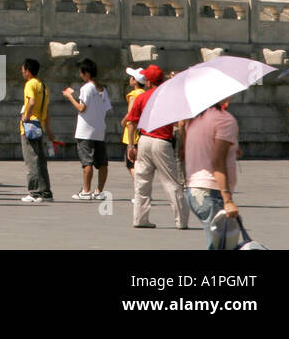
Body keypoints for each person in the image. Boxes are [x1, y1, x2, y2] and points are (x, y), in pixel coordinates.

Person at [124, 64, 189, 230]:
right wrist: (183, 145)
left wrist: (131, 145)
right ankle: (181, 220)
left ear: (148, 82)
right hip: (162, 142)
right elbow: (180, 123)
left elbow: (131, 123)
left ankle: (140, 218)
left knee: (142, 182)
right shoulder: (170, 98)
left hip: (144, 140)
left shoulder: (142, 98)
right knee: (171, 182)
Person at [183, 102, 241, 250]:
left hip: (194, 189)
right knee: (221, 245)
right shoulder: (225, 120)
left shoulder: (194, 120)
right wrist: (227, 200)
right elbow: (217, 162)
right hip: (211, 190)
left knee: (219, 244)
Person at [64, 58, 112, 200]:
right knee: (102, 163)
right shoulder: (102, 89)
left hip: (85, 130)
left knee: (87, 162)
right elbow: (106, 109)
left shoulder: (86, 88)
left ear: (86, 73)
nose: (80, 75)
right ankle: (99, 191)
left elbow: (82, 108)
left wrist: (70, 97)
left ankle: (86, 191)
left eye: (81, 73)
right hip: (99, 129)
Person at [18, 58, 53, 203]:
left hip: (29, 126)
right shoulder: (43, 86)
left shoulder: (30, 84)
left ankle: (34, 192)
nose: (22, 73)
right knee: (40, 160)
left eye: (23, 70)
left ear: (28, 71)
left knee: (31, 160)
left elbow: (31, 101)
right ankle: (46, 191)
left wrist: (25, 117)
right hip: (40, 125)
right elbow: (46, 110)